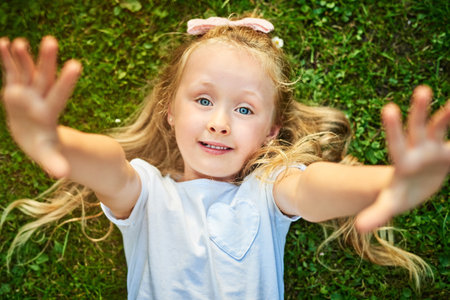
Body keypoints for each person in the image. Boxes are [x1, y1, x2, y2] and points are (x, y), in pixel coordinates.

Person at [0, 16, 448, 299]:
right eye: (202, 100)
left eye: (245, 109)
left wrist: (388, 183)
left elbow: (312, 188)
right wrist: (54, 140)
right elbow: (108, 166)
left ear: (271, 130)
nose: (220, 123)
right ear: (169, 112)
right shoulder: (150, 194)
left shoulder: (266, 191)